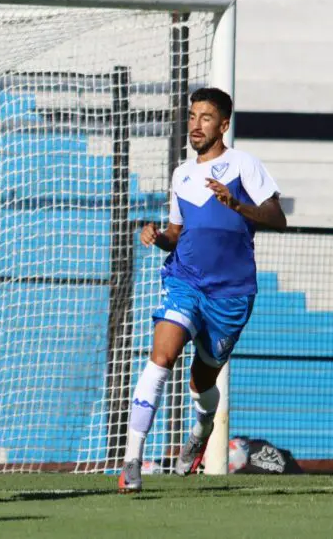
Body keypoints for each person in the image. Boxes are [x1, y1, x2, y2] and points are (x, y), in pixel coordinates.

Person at [118, 87, 287, 492]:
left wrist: (237, 205)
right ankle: (131, 461)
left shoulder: (244, 164)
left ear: (223, 124)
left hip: (231, 295)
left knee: (201, 383)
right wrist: (158, 236)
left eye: (205, 118)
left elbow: (277, 218)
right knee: (162, 356)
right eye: (192, 116)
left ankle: (202, 428)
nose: (195, 125)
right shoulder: (182, 173)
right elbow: (177, 233)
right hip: (185, 281)